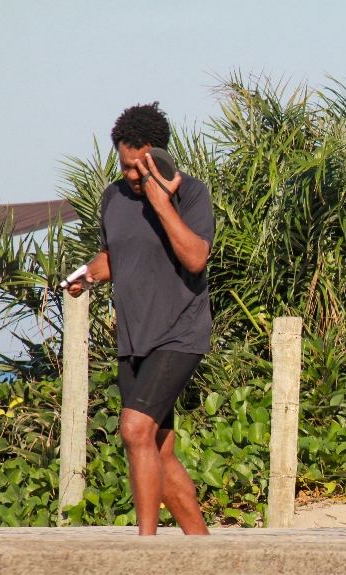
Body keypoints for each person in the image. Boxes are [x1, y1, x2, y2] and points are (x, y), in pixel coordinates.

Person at [67, 102, 214, 535]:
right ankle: (206, 552)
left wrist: (161, 201)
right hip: (133, 337)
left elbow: (195, 257)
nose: (132, 176)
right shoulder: (112, 196)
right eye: (125, 165)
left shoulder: (191, 194)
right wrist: (86, 276)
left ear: (159, 156)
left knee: (134, 430)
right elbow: (117, 253)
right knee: (159, 449)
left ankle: (145, 548)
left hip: (179, 333)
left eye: (140, 167)